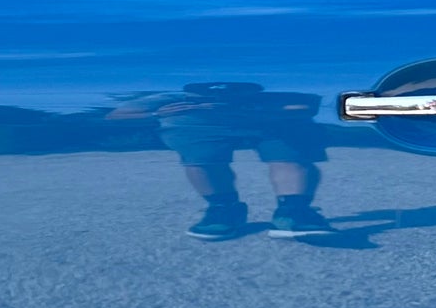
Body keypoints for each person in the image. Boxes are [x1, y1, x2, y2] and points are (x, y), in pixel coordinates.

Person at [113, 82, 329, 239]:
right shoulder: (170, 95)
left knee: (289, 155)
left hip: (271, 117)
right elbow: (117, 115)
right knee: (203, 159)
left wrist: (245, 108)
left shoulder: (276, 88)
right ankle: (223, 208)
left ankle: (293, 210)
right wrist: (157, 114)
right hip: (198, 123)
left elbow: (306, 106)